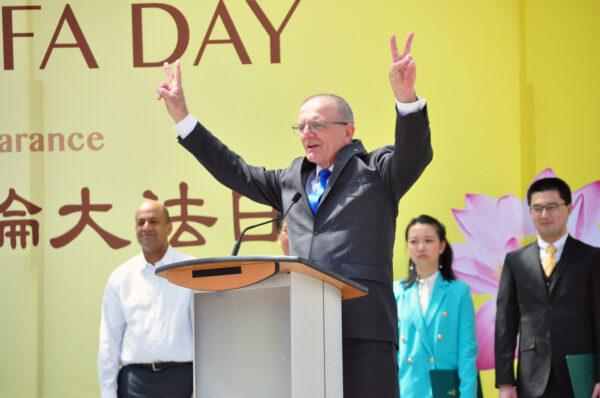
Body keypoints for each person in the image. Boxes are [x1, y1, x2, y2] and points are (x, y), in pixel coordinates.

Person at [156, 32, 432, 397]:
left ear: (348, 131)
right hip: (303, 328)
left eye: (317, 125)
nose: (307, 134)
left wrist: (406, 99)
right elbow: (235, 170)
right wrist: (183, 120)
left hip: (364, 330)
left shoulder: (375, 171)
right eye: (301, 127)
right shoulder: (290, 180)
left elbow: (414, 154)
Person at [495, 177, 600, 398]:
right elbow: (506, 324)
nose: (544, 214)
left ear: (569, 208)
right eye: (537, 208)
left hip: (579, 373)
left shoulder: (592, 258)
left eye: (552, 207)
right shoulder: (515, 261)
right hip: (531, 375)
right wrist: (505, 382)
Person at [97, 200, 194, 398]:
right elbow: (109, 340)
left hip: (182, 380)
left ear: (169, 227)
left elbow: (205, 334)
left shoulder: (190, 270)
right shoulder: (121, 277)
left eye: (153, 221)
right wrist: (107, 393)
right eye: (141, 222)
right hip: (134, 384)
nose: (146, 227)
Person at [394, 215, 478, 397]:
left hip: (444, 389)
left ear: (442, 245)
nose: (421, 247)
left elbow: (467, 351)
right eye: (414, 241)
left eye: (429, 240)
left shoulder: (459, 292)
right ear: (407, 247)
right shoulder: (396, 292)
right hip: (407, 388)